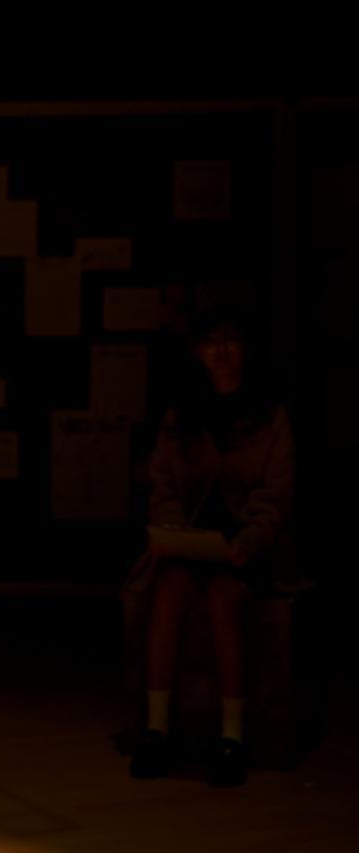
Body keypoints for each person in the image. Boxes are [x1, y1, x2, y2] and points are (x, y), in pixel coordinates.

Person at [130, 304, 295, 787]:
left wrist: (249, 540)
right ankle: (156, 729)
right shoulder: (181, 415)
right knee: (168, 589)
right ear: (197, 352)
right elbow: (162, 485)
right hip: (189, 545)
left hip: (247, 551)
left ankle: (232, 735)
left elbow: (276, 496)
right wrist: (173, 532)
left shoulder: (270, 417)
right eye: (210, 342)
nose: (220, 352)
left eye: (230, 340)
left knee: (225, 594)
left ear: (246, 349)